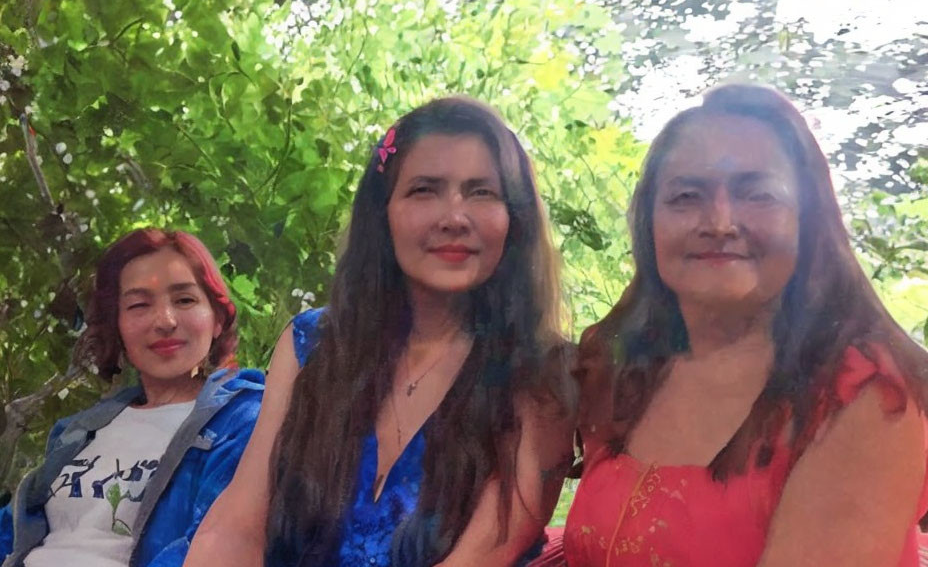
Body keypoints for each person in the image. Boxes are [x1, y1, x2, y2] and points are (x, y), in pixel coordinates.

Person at [185, 96, 575, 567]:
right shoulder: (312, 343)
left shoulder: (544, 376)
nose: (454, 216)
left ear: (514, 219)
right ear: (382, 212)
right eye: (424, 190)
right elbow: (236, 524)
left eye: (482, 192)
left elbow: (483, 556)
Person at [560, 84, 928, 566]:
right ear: (648, 222)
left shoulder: (867, 394)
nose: (719, 221)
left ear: (808, 218)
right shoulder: (624, 363)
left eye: (757, 194)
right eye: (686, 196)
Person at [0, 228, 264, 567]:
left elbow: (218, 547)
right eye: (139, 305)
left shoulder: (244, 420)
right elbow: (13, 531)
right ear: (117, 325)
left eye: (185, 300)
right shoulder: (78, 430)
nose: (165, 321)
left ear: (216, 319)